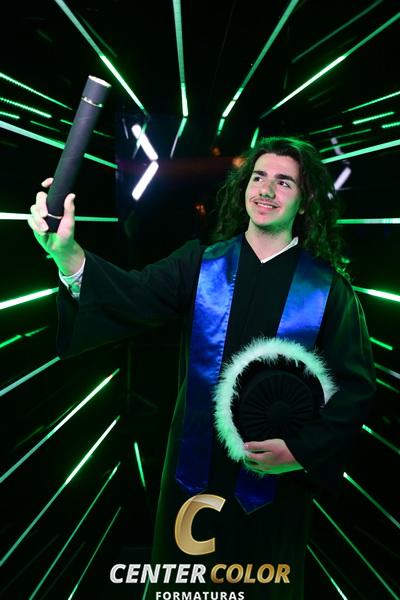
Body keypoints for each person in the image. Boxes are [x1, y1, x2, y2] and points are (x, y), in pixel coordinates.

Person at [29, 137, 376, 599]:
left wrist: (301, 451)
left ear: (306, 199)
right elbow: (130, 295)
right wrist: (66, 253)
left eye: (284, 182)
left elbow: (355, 390)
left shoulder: (327, 291)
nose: (266, 190)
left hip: (273, 493)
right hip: (191, 484)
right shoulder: (202, 264)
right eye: (258, 177)